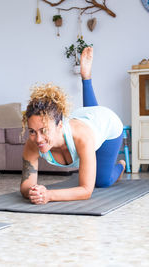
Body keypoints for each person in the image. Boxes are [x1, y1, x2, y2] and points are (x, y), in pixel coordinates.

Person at [20, 47, 125, 205]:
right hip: (84, 116)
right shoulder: (33, 142)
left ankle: (121, 167)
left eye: (44, 131)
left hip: (108, 124)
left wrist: (49, 195)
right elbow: (25, 186)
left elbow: (86, 191)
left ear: (60, 126)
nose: (38, 138)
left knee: (101, 181)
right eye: (32, 131)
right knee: (91, 113)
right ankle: (86, 77)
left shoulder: (82, 138)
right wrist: (34, 192)